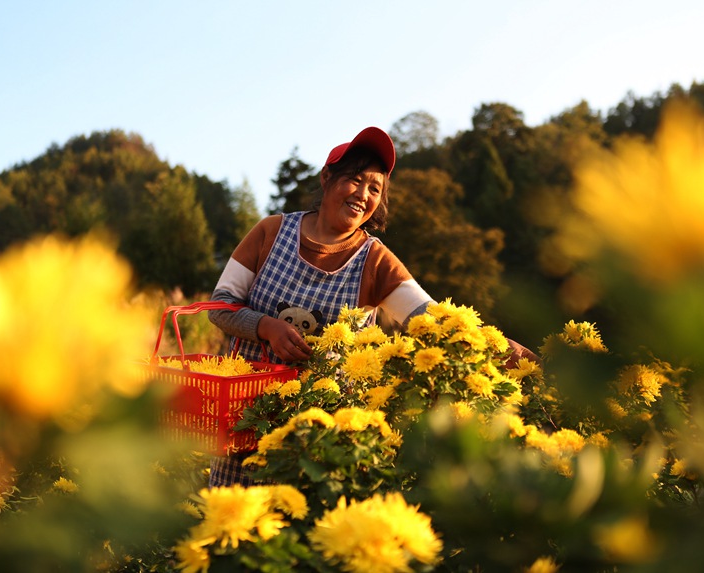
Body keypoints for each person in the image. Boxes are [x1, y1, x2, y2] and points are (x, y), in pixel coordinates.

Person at [207, 126, 537, 485]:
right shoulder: (270, 232)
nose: (363, 195)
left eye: (375, 188)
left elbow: (437, 320)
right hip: (243, 422)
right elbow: (219, 307)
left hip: (323, 442)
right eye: (355, 179)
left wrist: (519, 355)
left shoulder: (375, 261)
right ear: (327, 177)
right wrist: (265, 327)